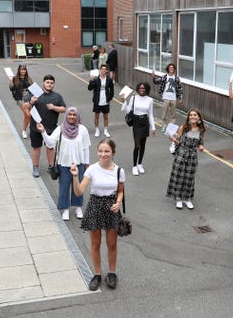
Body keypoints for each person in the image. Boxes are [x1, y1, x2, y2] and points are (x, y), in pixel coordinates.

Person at [71, 138, 125, 291]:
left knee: (112, 244)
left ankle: (112, 273)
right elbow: (79, 191)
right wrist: (75, 176)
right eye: (100, 151)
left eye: (107, 151)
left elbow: (120, 191)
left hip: (111, 207)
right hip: (95, 205)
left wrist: (119, 201)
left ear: (112, 153)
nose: (103, 154)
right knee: (95, 244)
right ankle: (97, 274)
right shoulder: (91, 169)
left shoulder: (119, 171)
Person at [37, 107, 91, 221]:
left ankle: (78, 207)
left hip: (79, 164)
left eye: (74, 115)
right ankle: (65, 209)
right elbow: (50, 143)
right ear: (65, 115)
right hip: (64, 164)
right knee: (64, 187)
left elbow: (86, 148)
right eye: (69, 114)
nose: (72, 117)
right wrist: (43, 132)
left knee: (78, 187)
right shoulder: (60, 129)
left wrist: (87, 164)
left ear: (77, 116)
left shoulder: (82, 129)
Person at [28, 74, 67, 178]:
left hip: (51, 127)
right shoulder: (36, 93)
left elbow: (64, 109)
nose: (49, 84)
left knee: (50, 147)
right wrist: (31, 101)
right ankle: (35, 166)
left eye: (51, 83)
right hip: (36, 127)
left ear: (53, 84)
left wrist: (54, 107)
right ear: (43, 83)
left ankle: (51, 166)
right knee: (36, 148)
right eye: (47, 82)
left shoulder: (57, 96)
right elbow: (27, 106)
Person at [166, 109, 206, 210]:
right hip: (181, 154)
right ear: (188, 117)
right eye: (191, 115)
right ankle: (178, 198)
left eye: (195, 115)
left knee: (189, 178)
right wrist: (173, 138)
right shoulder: (183, 128)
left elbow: (201, 142)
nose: (193, 116)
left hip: (192, 156)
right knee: (179, 177)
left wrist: (201, 147)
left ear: (198, 118)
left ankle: (187, 199)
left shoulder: (201, 130)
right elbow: (177, 140)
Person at [121, 82, 156, 176]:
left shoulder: (150, 100)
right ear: (138, 88)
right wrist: (124, 101)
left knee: (143, 145)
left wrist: (153, 127)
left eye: (143, 88)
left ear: (146, 89)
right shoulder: (134, 97)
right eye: (140, 88)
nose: (142, 90)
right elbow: (128, 110)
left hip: (145, 122)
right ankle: (134, 166)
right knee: (137, 145)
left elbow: (151, 114)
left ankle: (140, 164)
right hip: (136, 122)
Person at [153, 63, 183, 135]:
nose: (171, 69)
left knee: (173, 114)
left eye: (172, 68)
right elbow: (156, 81)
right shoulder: (164, 77)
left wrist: (180, 98)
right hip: (166, 97)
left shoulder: (177, 78)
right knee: (165, 112)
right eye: (170, 68)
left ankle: (171, 126)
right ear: (168, 69)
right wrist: (153, 77)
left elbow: (180, 88)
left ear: (174, 69)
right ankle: (164, 125)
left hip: (173, 97)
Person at [88, 64, 114, 138]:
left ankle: (106, 130)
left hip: (105, 100)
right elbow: (89, 88)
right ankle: (97, 130)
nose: (103, 70)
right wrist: (92, 80)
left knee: (105, 116)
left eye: (104, 69)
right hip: (97, 100)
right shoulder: (96, 79)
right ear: (100, 70)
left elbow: (112, 89)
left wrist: (110, 98)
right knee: (97, 116)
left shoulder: (109, 79)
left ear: (106, 71)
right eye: (102, 69)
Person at [9, 64, 32, 139]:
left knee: (26, 116)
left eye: (24, 69)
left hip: (28, 98)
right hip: (19, 99)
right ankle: (31, 129)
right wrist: (11, 81)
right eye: (22, 69)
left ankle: (24, 131)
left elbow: (32, 88)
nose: (23, 71)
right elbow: (12, 89)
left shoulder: (28, 78)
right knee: (28, 115)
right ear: (19, 70)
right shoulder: (15, 78)